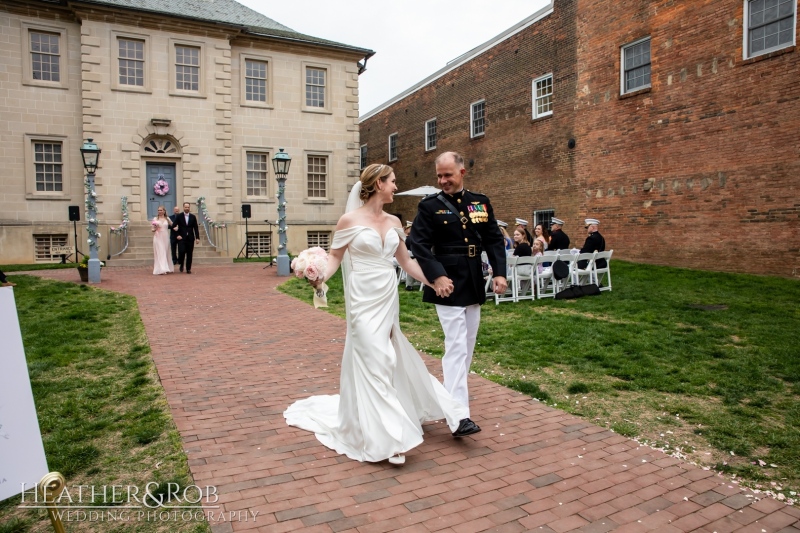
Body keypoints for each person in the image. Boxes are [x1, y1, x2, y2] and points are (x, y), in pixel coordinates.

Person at [284, 164, 469, 465]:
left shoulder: (394, 220)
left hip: (387, 297)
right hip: (361, 299)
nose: (396, 187)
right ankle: (391, 439)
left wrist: (434, 281)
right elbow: (334, 259)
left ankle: (385, 425)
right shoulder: (349, 220)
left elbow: (407, 263)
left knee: (387, 358)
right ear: (378, 184)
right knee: (377, 359)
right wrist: (318, 277)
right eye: (393, 182)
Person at [410, 151, 507, 438]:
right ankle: (459, 416)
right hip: (447, 282)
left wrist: (499, 272)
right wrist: (436, 276)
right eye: (439, 176)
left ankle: (452, 404)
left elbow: (493, 239)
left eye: (448, 175)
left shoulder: (480, 202)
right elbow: (419, 244)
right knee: (456, 346)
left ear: (462, 172)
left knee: (468, 344)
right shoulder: (429, 207)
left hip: (473, 278)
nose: (443, 181)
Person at [174, 202, 200, 273]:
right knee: (181, 252)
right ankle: (181, 264)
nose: (187, 208)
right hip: (181, 238)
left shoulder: (193, 217)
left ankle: (188, 268)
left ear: (189, 208)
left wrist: (197, 238)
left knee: (189, 254)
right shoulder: (179, 216)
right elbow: (174, 226)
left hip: (190, 238)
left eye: (188, 207)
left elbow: (196, 228)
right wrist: (177, 235)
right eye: (185, 207)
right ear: (183, 208)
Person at [151, 206, 174, 275]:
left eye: (161, 210)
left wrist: (177, 229)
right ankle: (162, 269)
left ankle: (167, 267)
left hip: (165, 237)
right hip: (158, 237)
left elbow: (173, 225)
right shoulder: (155, 219)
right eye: (158, 210)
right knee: (161, 252)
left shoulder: (167, 219)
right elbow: (152, 229)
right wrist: (155, 228)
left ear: (164, 211)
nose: (159, 211)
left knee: (166, 252)